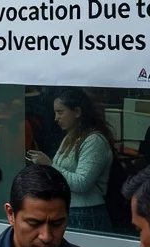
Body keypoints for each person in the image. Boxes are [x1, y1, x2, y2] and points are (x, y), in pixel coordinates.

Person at [28, 88, 114, 232]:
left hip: (86, 212)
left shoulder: (94, 141)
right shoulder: (70, 137)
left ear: (77, 112)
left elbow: (82, 183)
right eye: (55, 112)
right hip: (67, 209)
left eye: (60, 112)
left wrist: (49, 165)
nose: (56, 118)